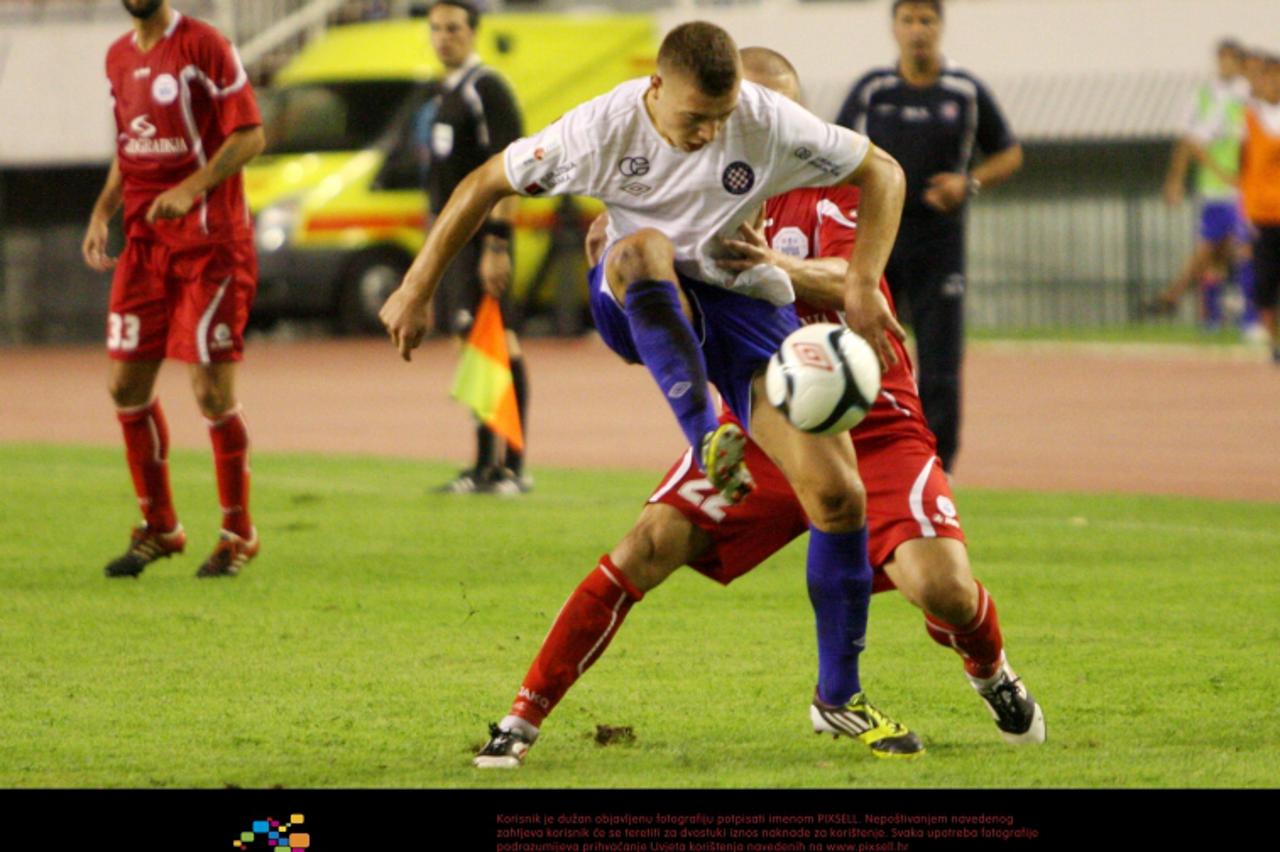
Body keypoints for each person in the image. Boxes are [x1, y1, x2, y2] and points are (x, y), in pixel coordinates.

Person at [471, 47, 1044, 770]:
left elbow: (846, 280)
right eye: (743, 112)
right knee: (648, 544)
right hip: (766, 421)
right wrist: (608, 269)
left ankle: (989, 671)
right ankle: (521, 717)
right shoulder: (690, 190)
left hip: (874, 423)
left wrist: (782, 268)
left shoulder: (830, 187)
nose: (759, 127)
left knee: (944, 590)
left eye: (779, 111)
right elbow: (652, 317)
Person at [383, 21, 923, 758]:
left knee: (838, 497)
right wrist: (417, 288)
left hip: (740, 306)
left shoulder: (762, 119)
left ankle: (838, 697)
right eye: (693, 116)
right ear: (655, 87)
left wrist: (862, 281)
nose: (709, 132)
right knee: (642, 247)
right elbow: (485, 182)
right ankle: (705, 429)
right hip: (639, 292)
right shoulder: (601, 127)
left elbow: (884, 171)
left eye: (720, 117)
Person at [82, 0, 264, 578]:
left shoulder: (203, 45)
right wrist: (102, 210)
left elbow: (251, 134)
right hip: (143, 243)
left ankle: (238, 532)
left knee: (211, 392)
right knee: (124, 385)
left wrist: (193, 187)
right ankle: (161, 526)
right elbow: (129, 145)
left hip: (210, 246)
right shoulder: (116, 57)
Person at [836, 0, 1023, 475]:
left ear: (940, 28)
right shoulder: (873, 89)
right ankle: (870, 459)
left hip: (940, 245)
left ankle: (938, 468)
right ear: (894, 28)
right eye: (908, 20)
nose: (918, 30)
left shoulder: (964, 90)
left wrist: (970, 183)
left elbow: (1009, 153)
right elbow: (835, 150)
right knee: (868, 352)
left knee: (940, 363)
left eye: (927, 20)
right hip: (877, 243)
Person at [414, 0, 530, 495]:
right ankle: (484, 465)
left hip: (482, 238)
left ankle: (512, 468)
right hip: (456, 239)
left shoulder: (488, 89)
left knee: (500, 344)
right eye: (436, 28)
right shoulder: (446, 92)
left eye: (454, 28)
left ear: (474, 31)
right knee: (474, 345)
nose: (444, 37)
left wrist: (497, 244)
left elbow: (510, 170)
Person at [1149, 39, 1254, 334]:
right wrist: (1175, 181)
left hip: (1244, 187)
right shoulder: (1205, 96)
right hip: (1213, 188)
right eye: (1221, 59)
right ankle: (1211, 318)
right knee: (1214, 256)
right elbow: (1188, 141)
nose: (1225, 65)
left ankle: (1247, 318)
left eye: (1231, 59)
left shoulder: (1251, 95)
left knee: (1243, 249)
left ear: (1241, 64)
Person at [1240, 54, 1280, 363]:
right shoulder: (1249, 119)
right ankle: (1275, 340)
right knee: (1265, 281)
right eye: (1268, 77)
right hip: (1264, 214)